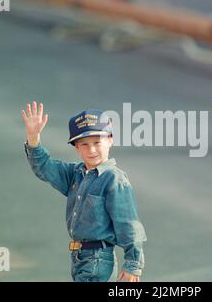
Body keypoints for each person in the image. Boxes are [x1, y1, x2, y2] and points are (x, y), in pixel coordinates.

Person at [21, 103, 146, 282]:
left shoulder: (113, 178)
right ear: (76, 148)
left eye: (97, 142)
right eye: (84, 144)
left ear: (110, 140)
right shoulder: (75, 175)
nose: (92, 149)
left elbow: (128, 223)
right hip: (79, 257)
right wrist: (33, 139)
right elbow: (44, 167)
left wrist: (133, 264)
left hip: (98, 260)